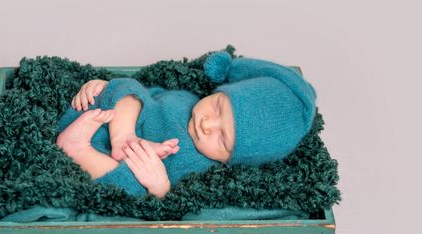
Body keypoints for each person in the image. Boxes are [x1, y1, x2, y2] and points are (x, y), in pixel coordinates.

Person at [56, 51, 317, 199]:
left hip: (114, 161)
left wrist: (159, 185)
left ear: (232, 159)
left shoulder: (201, 167)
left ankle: (77, 148)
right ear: (220, 91)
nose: (207, 124)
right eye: (217, 107)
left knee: (132, 187)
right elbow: (146, 94)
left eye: (222, 137)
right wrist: (109, 98)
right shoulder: (186, 98)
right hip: (111, 123)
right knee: (131, 93)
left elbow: (176, 201)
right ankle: (119, 136)